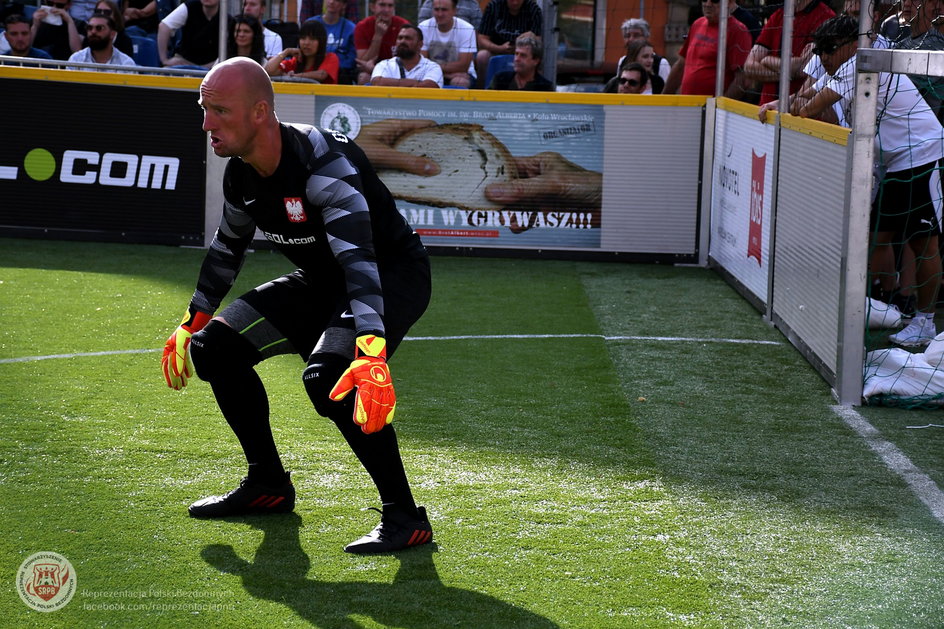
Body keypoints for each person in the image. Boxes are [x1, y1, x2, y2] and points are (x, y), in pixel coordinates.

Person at [163, 57, 433, 554]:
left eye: (219, 111)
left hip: (388, 275)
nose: (206, 124)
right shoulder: (241, 174)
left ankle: (405, 516)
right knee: (214, 348)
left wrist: (369, 351)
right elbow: (227, 250)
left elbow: (359, 261)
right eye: (204, 110)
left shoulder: (322, 164)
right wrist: (189, 323)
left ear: (260, 112)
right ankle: (267, 484)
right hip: (322, 280)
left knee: (330, 377)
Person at [797, 15, 944, 347]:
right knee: (876, 236)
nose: (823, 58)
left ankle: (925, 321)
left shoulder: (856, 65)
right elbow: (799, 102)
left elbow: (807, 109)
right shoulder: (844, 65)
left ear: (850, 45)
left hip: (922, 154)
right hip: (894, 162)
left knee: (925, 243)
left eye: (829, 50)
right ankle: (889, 303)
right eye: (818, 51)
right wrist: (778, 103)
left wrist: (794, 105)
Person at [743, 0, 835, 106]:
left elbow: (804, 68)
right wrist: (789, 72)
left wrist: (767, 60)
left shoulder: (826, 17)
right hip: (766, 110)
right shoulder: (778, 15)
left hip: (799, 111)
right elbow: (749, 67)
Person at [662, 0, 752, 97]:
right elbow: (681, 65)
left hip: (712, 107)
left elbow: (742, 80)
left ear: (729, 3)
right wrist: (663, 99)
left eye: (714, 0)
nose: (708, 4)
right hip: (688, 104)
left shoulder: (738, 31)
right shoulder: (697, 24)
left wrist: (719, 108)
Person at [475, 0, 542, 88]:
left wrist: (530, 37)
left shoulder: (533, 9)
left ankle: (532, 88)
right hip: (495, 50)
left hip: (522, 51)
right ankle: (481, 90)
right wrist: (499, 48)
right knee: (481, 56)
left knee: (535, 59)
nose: (515, 3)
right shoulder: (493, 7)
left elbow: (537, 41)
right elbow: (482, 39)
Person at [418, 0, 476, 88]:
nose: (440, 14)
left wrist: (435, 69)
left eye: (444, 10)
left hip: (462, 75)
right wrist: (446, 75)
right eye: (436, 9)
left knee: (459, 82)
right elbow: (422, 64)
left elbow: (464, 66)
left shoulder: (467, 29)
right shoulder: (423, 27)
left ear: (454, 11)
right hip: (431, 74)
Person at [266, 19, 339, 82]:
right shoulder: (295, 62)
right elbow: (268, 70)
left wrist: (294, 77)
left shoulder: (331, 57)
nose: (306, 43)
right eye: (303, 38)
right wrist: (286, 52)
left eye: (312, 39)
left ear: (321, 41)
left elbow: (321, 75)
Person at [370, 23, 443, 87]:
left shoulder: (432, 67)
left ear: (420, 44)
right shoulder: (384, 65)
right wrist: (416, 83)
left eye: (408, 38)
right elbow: (377, 82)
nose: (402, 41)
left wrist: (390, 83)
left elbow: (429, 85)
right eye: (400, 38)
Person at [354, 0, 408, 84]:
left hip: (398, 70)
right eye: (382, 5)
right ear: (372, 7)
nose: (386, 10)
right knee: (363, 77)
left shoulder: (403, 26)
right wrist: (378, 36)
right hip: (371, 72)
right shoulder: (362, 26)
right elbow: (363, 62)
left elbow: (409, 60)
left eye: (390, 6)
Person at [158, 0, 221, 68]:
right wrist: (164, 60)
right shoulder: (189, 7)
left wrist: (207, 68)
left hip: (211, 68)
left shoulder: (225, 16)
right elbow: (164, 26)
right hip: (183, 62)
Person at [307, 0, 356, 83]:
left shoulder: (351, 28)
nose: (331, 2)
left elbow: (351, 59)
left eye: (337, 0)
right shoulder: (311, 23)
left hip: (340, 74)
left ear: (343, 5)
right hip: (313, 70)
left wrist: (331, 67)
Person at [67, 12, 137, 69]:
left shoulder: (126, 63)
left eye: (99, 28)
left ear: (112, 34)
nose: (93, 32)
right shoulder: (76, 59)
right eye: (90, 28)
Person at [486, 33, 551, 91]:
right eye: (516, 54)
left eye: (523, 55)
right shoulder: (500, 80)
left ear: (536, 61)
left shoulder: (545, 87)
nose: (517, 59)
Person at [616, 18, 670, 85]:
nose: (631, 39)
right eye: (627, 36)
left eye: (636, 35)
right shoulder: (622, 61)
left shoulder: (661, 63)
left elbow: (666, 91)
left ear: (646, 37)